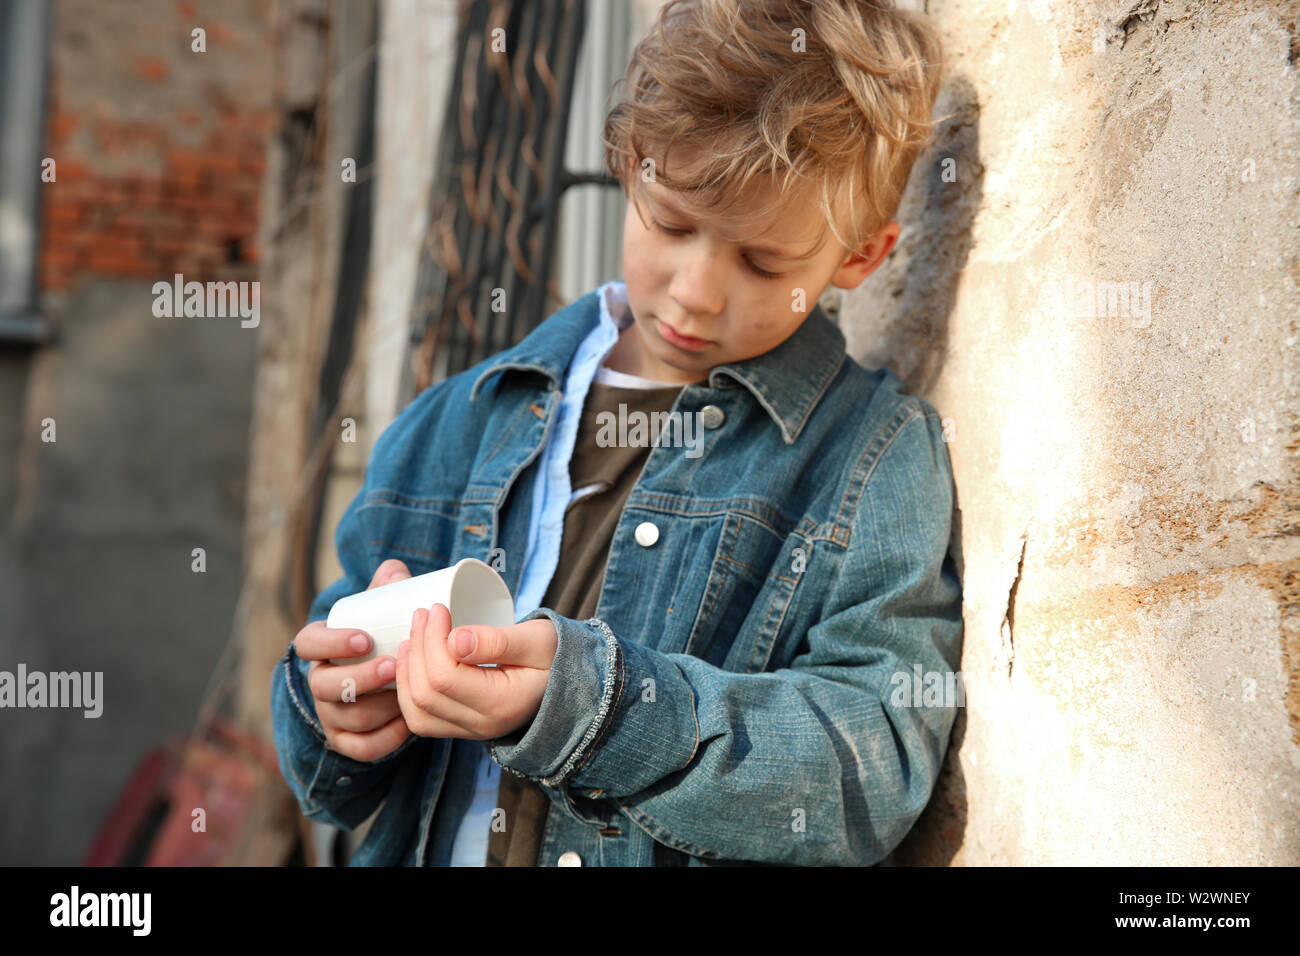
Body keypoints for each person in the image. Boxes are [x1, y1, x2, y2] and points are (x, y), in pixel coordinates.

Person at [271, 0, 961, 866]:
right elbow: (331, 676)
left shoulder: (871, 456)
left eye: (762, 262)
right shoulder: (457, 421)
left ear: (860, 258)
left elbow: (876, 763)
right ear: (629, 169)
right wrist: (328, 707)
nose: (695, 291)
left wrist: (598, 709)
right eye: (671, 223)